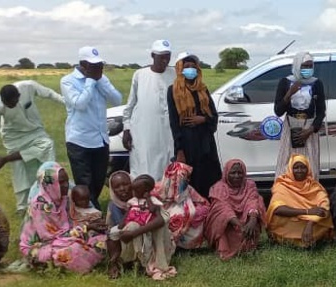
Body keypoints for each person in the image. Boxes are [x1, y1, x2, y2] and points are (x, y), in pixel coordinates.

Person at [0, 81, 63, 214]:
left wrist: (68, 103)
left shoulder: (28, 86)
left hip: (35, 131)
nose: (10, 105)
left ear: (18, 96)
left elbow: (49, 93)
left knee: (47, 146)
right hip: (13, 136)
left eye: (13, 102)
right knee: (20, 168)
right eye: (7, 103)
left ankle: (52, 194)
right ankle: (23, 207)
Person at [61, 46, 123, 209]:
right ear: (83, 65)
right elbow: (79, 104)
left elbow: (117, 99)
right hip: (79, 140)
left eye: (100, 65)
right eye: (94, 65)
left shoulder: (102, 79)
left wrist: (100, 81)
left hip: (101, 139)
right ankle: (91, 215)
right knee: (85, 183)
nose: (99, 68)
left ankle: (91, 210)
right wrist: (90, 81)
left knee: (98, 180)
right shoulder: (68, 81)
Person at [19, 162, 106, 273]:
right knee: (72, 251)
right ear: (50, 184)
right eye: (61, 182)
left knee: (102, 239)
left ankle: (82, 260)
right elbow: (51, 237)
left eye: (66, 181)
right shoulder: (40, 206)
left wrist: (94, 223)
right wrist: (85, 228)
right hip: (44, 245)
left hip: (68, 237)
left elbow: (76, 219)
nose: (66, 185)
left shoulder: (65, 198)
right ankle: (77, 263)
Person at [167, 53, 222, 197]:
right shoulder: (173, 91)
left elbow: (214, 116)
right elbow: (174, 122)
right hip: (187, 143)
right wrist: (179, 151)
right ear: (180, 69)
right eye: (186, 67)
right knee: (190, 181)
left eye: (193, 67)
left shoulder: (202, 89)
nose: (190, 70)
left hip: (206, 143)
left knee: (209, 179)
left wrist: (202, 119)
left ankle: (210, 213)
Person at [122, 40, 177, 181]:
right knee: (144, 169)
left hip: (168, 134)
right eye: (161, 56)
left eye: (168, 56)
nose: (165, 60)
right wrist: (126, 129)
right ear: (153, 56)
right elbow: (130, 105)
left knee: (167, 169)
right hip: (144, 134)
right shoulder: (140, 75)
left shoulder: (175, 74)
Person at [274, 52, 327, 178]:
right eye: (304, 66)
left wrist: (310, 130)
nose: (307, 69)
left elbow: (321, 112)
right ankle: (287, 194)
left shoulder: (316, 83)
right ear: (297, 65)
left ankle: (309, 194)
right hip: (291, 127)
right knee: (287, 164)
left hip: (309, 129)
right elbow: (278, 111)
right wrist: (289, 94)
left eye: (310, 66)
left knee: (309, 165)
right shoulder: (286, 82)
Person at [266, 155, 333, 247]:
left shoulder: (314, 186)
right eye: (296, 168)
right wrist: (307, 212)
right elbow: (277, 208)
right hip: (293, 219)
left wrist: (310, 223)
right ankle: (292, 239)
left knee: (326, 214)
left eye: (303, 167)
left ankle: (305, 238)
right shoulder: (282, 184)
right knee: (278, 217)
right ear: (290, 169)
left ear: (308, 169)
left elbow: (324, 205)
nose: (300, 170)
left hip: (310, 221)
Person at [205, 159, 266, 260]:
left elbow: (252, 201)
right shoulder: (219, 187)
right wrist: (239, 225)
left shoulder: (249, 185)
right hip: (228, 223)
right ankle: (225, 248)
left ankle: (248, 245)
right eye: (233, 173)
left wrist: (252, 219)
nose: (237, 176)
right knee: (219, 210)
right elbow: (223, 208)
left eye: (240, 173)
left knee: (258, 202)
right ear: (226, 173)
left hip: (245, 220)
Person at [153, 161, 210, 250]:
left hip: (184, 219)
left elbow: (203, 203)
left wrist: (196, 211)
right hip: (162, 213)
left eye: (188, 178)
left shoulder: (187, 189)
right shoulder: (158, 189)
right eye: (184, 178)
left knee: (188, 213)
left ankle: (187, 245)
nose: (187, 180)